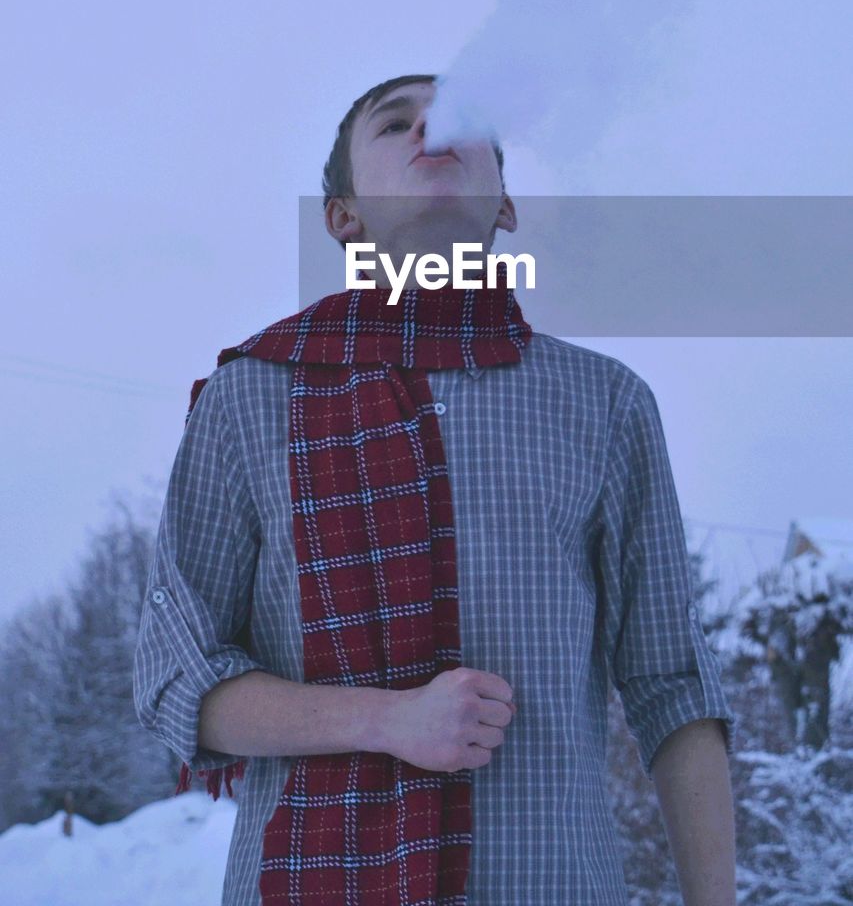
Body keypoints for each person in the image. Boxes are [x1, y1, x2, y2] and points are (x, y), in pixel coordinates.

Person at [133, 73, 739, 906]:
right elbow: (176, 680)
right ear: (343, 216)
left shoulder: (607, 402)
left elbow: (673, 682)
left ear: (505, 206)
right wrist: (385, 720)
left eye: (459, 121)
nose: (432, 130)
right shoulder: (251, 398)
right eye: (394, 124)